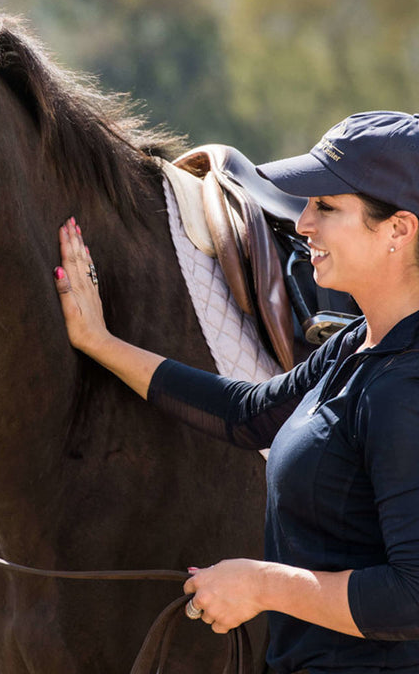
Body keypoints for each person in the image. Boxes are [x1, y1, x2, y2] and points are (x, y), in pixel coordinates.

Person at [54, 110, 419, 674]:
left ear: (399, 229)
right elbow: (247, 412)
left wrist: (261, 585)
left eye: (326, 206)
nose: (302, 223)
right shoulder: (359, 345)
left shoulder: (404, 388)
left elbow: (411, 598)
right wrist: (98, 341)